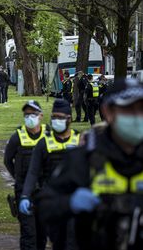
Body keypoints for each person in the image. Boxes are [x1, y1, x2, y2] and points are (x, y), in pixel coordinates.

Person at [36, 79, 143, 250]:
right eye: (129, 110)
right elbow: (44, 207)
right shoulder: (84, 158)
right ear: (108, 112)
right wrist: (69, 203)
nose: (138, 117)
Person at [19, 99, 80, 250]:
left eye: (60, 117)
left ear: (69, 119)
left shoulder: (80, 140)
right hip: (53, 201)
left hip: (75, 199)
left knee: (73, 241)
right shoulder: (44, 143)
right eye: (54, 117)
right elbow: (33, 172)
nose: (56, 121)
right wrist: (25, 195)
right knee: (56, 240)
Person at [4, 100, 49, 250]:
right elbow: (7, 160)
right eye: (26, 114)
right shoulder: (18, 136)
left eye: (33, 114)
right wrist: (18, 177)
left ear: (40, 115)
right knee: (28, 234)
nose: (30, 117)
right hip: (24, 191)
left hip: (45, 191)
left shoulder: (49, 135)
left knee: (42, 233)